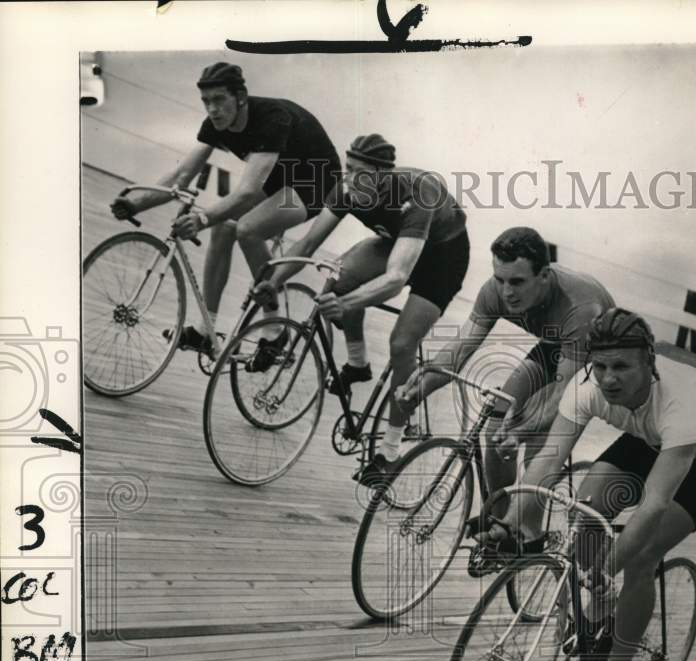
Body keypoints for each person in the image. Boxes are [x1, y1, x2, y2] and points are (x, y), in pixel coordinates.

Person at [484, 307, 696, 661]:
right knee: (586, 509)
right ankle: (598, 612)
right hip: (648, 436)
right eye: (600, 366)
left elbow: (654, 503)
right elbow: (548, 459)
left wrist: (606, 568)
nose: (608, 379)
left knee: (641, 556)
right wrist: (510, 521)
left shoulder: (682, 400)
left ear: (650, 363)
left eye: (621, 367)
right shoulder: (586, 386)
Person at [257, 133, 470, 485]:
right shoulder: (346, 190)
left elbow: (396, 278)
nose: (350, 179)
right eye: (348, 168)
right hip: (397, 242)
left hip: (443, 258)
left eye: (360, 173)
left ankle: (390, 450)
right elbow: (308, 243)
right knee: (336, 279)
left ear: (383, 176)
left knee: (402, 343)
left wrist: (344, 304)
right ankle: (358, 364)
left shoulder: (415, 193)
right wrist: (274, 281)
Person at [109, 62, 341, 355]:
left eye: (219, 99)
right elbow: (182, 175)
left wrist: (201, 218)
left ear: (240, 97)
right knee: (222, 227)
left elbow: (246, 193)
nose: (212, 109)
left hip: (318, 180)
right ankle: (206, 330)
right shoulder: (215, 123)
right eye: (206, 101)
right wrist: (135, 203)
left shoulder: (272, 118)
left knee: (248, 229)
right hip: (280, 176)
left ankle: (275, 329)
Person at [397, 226, 615, 523]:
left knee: (539, 449)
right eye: (500, 279)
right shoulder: (494, 291)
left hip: (600, 361)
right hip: (556, 347)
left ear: (544, 276)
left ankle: (528, 536)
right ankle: (498, 526)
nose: (507, 292)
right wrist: (420, 387)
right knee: (496, 430)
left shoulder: (580, 307)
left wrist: (521, 431)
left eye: (517, 282)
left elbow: (562, 397)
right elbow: (459, 350)